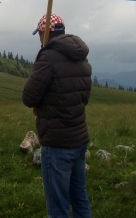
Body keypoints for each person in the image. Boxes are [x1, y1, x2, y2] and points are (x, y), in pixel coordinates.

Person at [22, 13, 92, 218]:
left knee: (57, 204)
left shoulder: (48, 56)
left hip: (57, 141)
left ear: (45, 33)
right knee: (79, 197)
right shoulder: (81, 55)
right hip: (79, 137)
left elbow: (29, 97)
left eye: (39, 34)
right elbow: (83, 97)